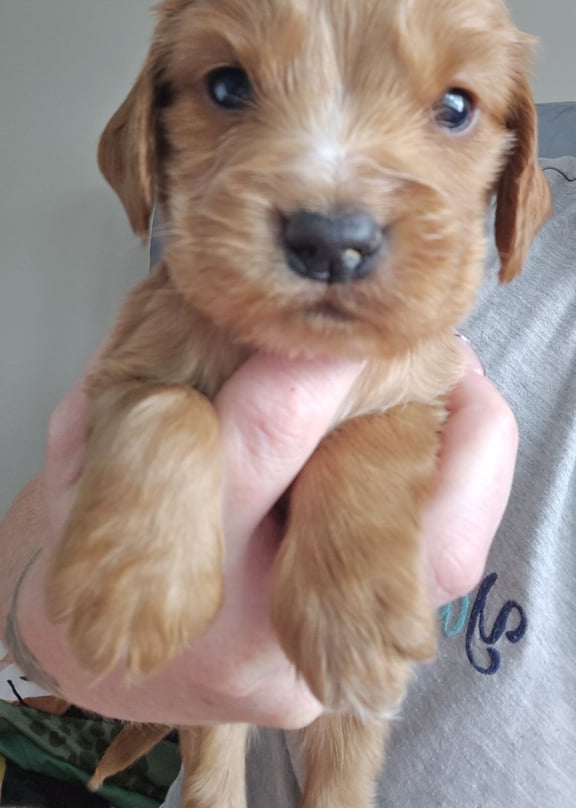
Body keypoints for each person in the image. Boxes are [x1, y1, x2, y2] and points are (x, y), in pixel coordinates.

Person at [1, 156, 574, 806]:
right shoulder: (485, 200)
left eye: (449, 110)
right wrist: (54, 618)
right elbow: (45, 519)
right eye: (229, 91)